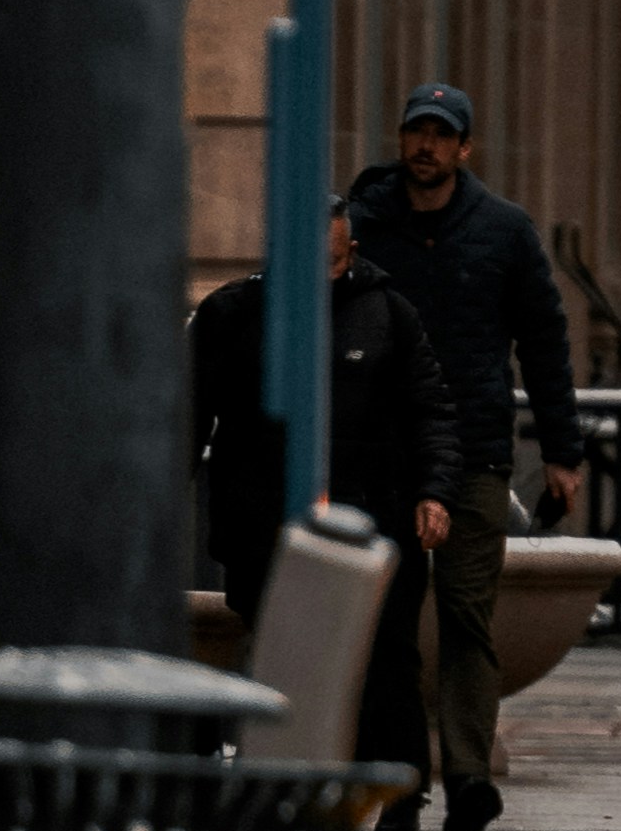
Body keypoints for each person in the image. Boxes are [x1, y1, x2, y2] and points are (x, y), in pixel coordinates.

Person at [338, 80, 584, 831]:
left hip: (477, 450)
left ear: (465, 147)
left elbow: (543, 341)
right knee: (390, 627)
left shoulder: (503, 231)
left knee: (468, 616)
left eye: (443, 135)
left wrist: (562, 450)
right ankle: (403, 782)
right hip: (387, 455)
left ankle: (468, 776)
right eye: (417, 131)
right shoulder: (368, 225)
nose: (427, 146)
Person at [189, 227, 447, 785]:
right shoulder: (233, 314)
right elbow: (190, 413)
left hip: (376, 508)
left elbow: (427, 411)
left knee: (387, 655)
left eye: (330, 259)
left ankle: (396, 789)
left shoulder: (386, 314)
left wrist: (433, 492)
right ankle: (290, 778)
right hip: (264, 515)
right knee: (281, 647)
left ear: (350, 253)